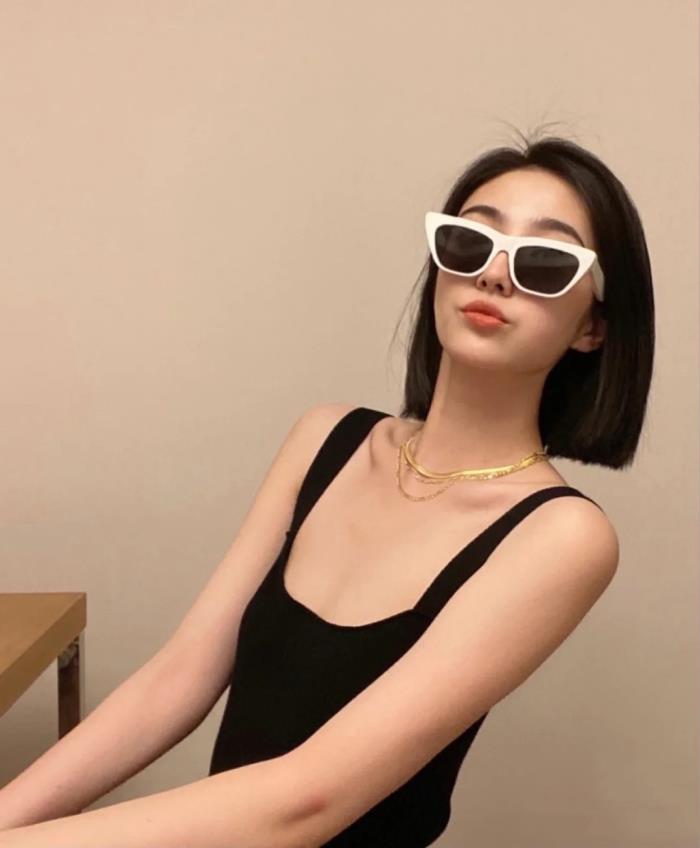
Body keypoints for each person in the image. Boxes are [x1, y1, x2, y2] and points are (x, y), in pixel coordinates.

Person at [0, 130, 655, 847]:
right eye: (470, 242)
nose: (495, 275)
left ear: (593, 328)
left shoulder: (562, 536)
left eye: (546, 262)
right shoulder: (325, 439)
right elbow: (177, 678)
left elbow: (308, 800)